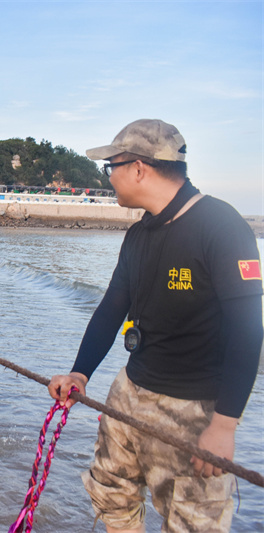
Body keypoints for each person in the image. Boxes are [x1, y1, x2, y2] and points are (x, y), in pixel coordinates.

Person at [48, 119, 263, 533]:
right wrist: (80, 372)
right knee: (110, 495)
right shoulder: (139, 234)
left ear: (139, 168)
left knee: (193, 523)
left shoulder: (222, 226)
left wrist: (224, 425)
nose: (108, 177)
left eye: (111, 167)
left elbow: (248, 331)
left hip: (195, 410)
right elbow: (112, 308)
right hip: (130, 391)